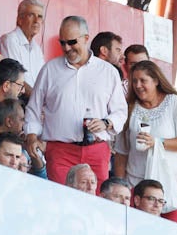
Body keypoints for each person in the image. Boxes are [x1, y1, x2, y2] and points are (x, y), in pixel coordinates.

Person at [23, 17, 127, 185]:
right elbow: (33, 109)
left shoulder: (108, 72)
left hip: (97, 150)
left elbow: (120, 112)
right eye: (62, 43)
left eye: (72, 42)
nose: (67, 48)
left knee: (96, 205)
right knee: (61, 203)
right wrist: (32, 136)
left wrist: (106, 123)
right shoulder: (50, 69)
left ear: (86, 38)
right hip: (60, 151)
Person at [114, 60, 177, 222]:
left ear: (156, 81)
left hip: (173, 185)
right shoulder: (129, 107)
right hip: (138, 184)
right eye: (134, 81)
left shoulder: (174, 102)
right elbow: (121, 153)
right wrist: (121, 186)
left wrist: (158, 142)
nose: (138, 85)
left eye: (143, 81)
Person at [0, 0, 47, 91]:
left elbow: (43, 80)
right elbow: (14, 79)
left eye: (40, 16)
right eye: (31, 15)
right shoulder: (10, 40)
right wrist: (35, 100)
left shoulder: (37, 49)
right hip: (15, 97)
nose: (36, 20)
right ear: (20, 19)